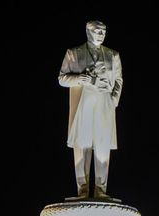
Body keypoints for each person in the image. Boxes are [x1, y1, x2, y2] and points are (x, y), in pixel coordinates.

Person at [59, 20, 123, 199]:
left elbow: (118, 79)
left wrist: (113, 100)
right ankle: (83, 188)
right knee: (83, 143)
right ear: (88, 32)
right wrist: (80, 78)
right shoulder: (74, 53)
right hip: (83, 104)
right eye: (97, 31)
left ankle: (101, 189)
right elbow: (62, 78)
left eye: (103, 31)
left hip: (104, 103)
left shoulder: (113, 55)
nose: (101, 34)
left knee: (102, 146)